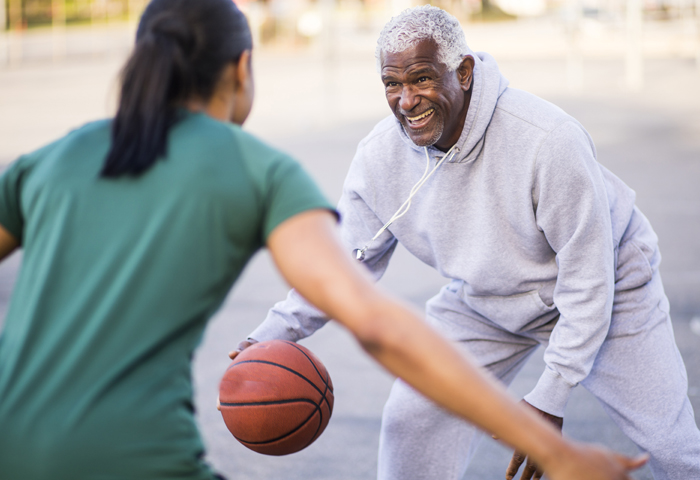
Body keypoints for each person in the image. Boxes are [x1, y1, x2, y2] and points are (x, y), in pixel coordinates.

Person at [0, 1, 648, 479]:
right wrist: (556, 452)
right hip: (136, 457)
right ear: (242, 68)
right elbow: (374, 323)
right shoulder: (252, 168)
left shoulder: (51, 158)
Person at [240, 5, 700, 480]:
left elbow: (589, 279)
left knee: (671, 446)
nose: (405, 100)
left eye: (420, 79)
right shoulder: (381, 157)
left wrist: (550, 396)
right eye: (391, 84)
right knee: (412, 418)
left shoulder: (547, 140)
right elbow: (344, 264)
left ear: (462, 72)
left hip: (610, 286)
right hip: (487, 301)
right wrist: (271, 335)